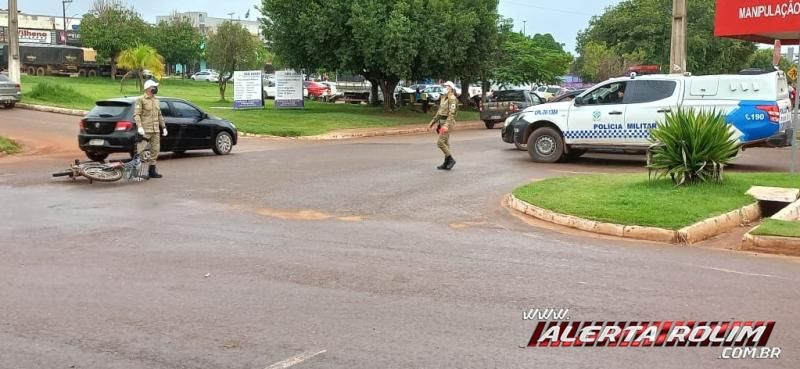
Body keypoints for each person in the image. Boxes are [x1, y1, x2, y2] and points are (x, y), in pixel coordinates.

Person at [134, 80, 167, 179]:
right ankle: (136, 172)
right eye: (154, 87)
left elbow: (159, 115)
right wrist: (139, 127)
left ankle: (152, 171)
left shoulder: (156, 100)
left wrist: (164, 127)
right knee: (140, 151)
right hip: (145, 130)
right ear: (148, 88)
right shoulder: (141, 100)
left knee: (155, 150)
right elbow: (137, 114)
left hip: (155, 130)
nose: (156, 89)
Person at [427, 81, 458, 170]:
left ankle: (451, 159)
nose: (445, 87)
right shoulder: (444, 98)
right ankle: (446, 162)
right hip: (442, 122)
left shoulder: (452, 98)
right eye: (444, 86)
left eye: (446, 86)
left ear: (451, 88)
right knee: (445, 143)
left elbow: (452, 114)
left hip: (447, 123)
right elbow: (439, 113)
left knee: (440, 143)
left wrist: (446, 125)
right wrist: (431, 123)